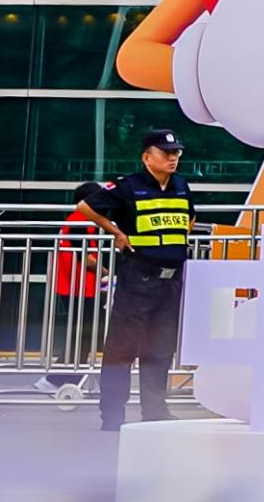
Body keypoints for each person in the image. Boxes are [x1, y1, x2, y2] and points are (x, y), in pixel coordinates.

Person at [76, 128, 197, 431]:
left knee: (160, 349)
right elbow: (86, 207)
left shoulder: (181, 185)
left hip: (171, 281)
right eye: (166, 153)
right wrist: (116, 232)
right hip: (139, 278)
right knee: (122, 349)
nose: (173, 158)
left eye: (176, 153)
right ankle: (113, 416)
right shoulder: (128, 186)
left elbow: (190, 216)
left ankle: (155, 412)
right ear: (147, 157)